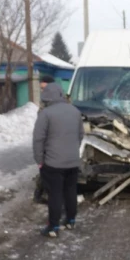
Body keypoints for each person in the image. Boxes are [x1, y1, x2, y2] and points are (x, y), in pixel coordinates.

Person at [33, 82, 84, 238]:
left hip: (53, 163)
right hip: (73, 161)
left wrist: (39, 160)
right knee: (70, 191)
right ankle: (71, 220)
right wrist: (72, 151)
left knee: (55, 194)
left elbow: (38, 140)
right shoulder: (75, 111)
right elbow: (80, 135)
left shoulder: (46, 114)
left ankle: (53, 226)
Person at [33, 75, 56, 204]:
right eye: (41, 88)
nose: (42, 91)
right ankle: (42, 193)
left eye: (44, 88)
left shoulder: (59, 101)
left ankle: (42, 193)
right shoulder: (45, 102)